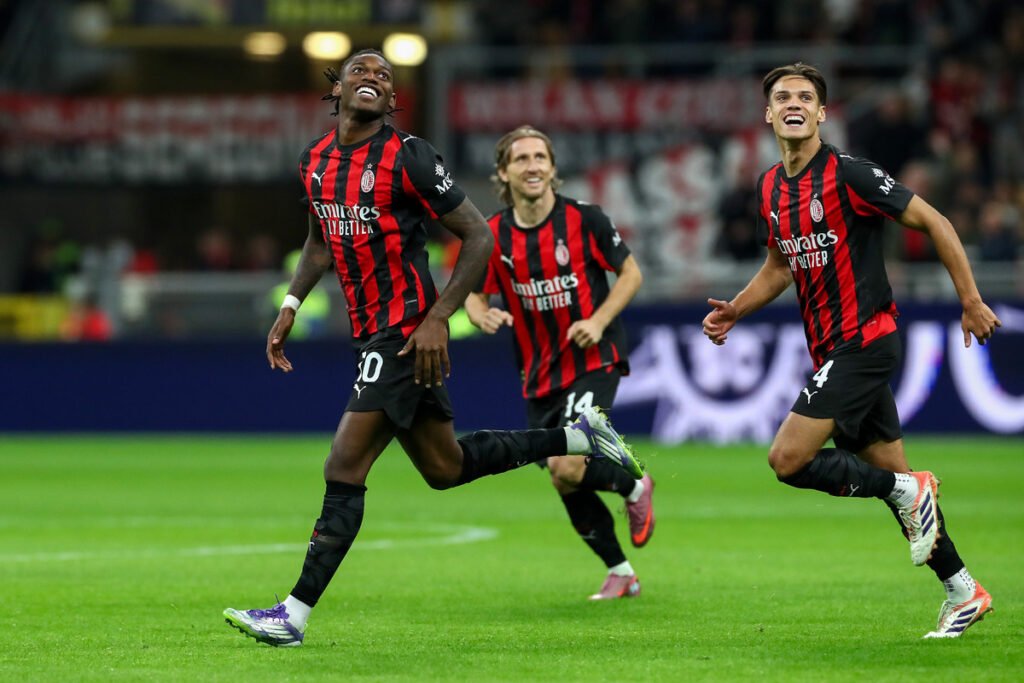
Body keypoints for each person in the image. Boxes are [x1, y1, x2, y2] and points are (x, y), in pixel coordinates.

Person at [223, 50, 643, 648]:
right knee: (446, 469)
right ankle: (577, 438)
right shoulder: (314, 161)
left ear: (393, 101)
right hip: (372, 331)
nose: (373, 78)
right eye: (361, 71)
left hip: (405, 333)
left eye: (385, 76)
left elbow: (476, 236)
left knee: (343, 466)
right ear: (336, 87)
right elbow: (319, 241)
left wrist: (439, 318)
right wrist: (289, 307)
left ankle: (293, 613)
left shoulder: (409, 156)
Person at [702, 63, 1001, 639]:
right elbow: (778, 265)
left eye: (806, 96)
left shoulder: (851, 176)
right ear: (768, 114)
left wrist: (969, 298)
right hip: (831, 350)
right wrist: (738, 308)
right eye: (783, 96)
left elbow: (934, 220)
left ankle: (912, 490)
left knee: (787, 460)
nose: (794, 103)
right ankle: (964, 590)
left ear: (821, 113)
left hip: (867, 341)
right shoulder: (769, 187)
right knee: (895, 484)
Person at [464, 125, 654, 600]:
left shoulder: (585, 220)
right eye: (521, 159)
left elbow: (630, 274)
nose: (532, 166)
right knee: (562, 478)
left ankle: (634, 484)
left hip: (594, 355)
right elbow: (471, 292)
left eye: (540, 157)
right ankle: (621, 572)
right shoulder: (492, 234)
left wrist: (598, 318)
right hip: (539, 372)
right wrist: (482, 313)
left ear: (552, 168)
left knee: (567, 464)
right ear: (503, 173)